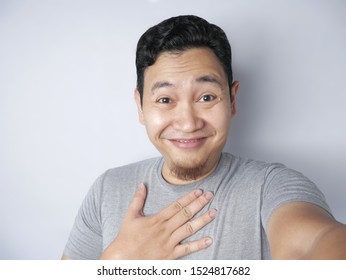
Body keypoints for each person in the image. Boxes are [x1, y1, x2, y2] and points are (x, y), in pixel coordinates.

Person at [62, 15, 346, 260]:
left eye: (206, 97)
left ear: (232, 100)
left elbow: (311, 246)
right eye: (164, 99)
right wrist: (116, 262)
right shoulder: (106, 190)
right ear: (140, 106)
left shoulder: (271, 186)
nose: (188, 123)